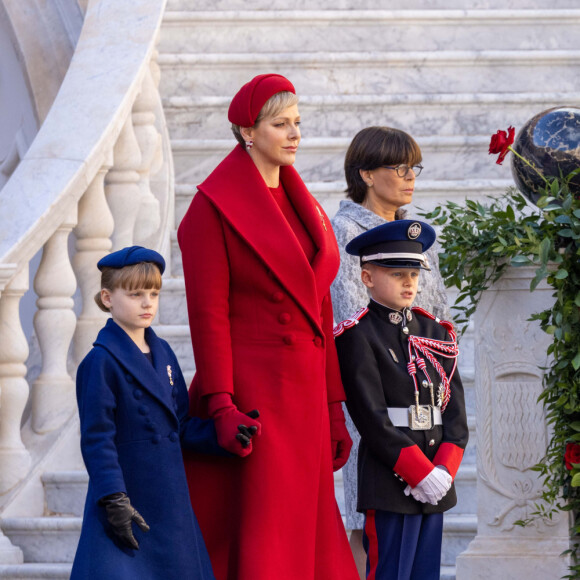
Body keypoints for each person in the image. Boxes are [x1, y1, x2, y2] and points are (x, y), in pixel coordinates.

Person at [178, 73, 358, 580]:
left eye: (297, 123)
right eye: (281, 124)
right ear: (247, 132)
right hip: (255, 394)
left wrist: (332, 408)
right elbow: (208, 316)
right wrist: (221, 405)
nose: (295, 134)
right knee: (269, 536)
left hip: (304, 396)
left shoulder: (307, 208)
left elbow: (319, 313)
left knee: (310, 536)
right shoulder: (210, 210)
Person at [71, 246, 256, 580]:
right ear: (107, 298)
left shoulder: (164, 352)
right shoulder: (99, 362)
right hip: (128, 500)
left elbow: (179, 424)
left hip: (171, 502)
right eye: (135, 293)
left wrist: (223, 433)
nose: (147, 303)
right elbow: (98, 440)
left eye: (154, 294)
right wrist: (113, 498)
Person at [330, 126, 451, 574]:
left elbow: (438, 317)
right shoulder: (344, 233)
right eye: (398, 167)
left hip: (424, 397)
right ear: (365, 173)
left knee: (422, 525)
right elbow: (351, 320)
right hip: (376, 396)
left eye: (413, 166)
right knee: (372, 524)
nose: (409, 176)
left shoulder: (417, 234)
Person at [333, 220, 468, 580]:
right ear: (367, 277)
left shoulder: (435, 333)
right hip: (391, 479)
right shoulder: (357, 336)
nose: (409, 282)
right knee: (391, 572)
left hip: (435, 478)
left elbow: (454, 416)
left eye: (413, 272)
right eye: (396, 273)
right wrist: (419, 473)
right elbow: (371, 417)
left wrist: (442, 472)